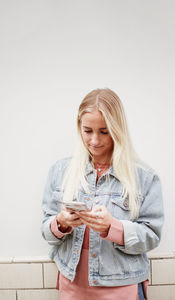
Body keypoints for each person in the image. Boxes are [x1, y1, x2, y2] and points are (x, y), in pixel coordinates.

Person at [41, 88, 164, 300]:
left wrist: (112, 227)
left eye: (104, 131)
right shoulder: (60, 171)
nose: (95, 141)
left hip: (122, 287)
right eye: (88, 131)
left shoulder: (144, 177)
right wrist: (61, 223)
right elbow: (46, 231)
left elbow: (151, 237)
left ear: (117, 129)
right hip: (72, 285)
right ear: (79, 127)